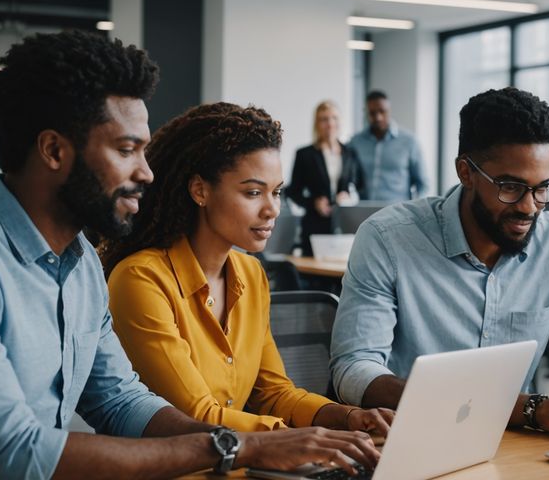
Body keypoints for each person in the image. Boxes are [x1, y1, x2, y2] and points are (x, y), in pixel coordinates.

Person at [0, 30, 378, 478]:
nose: (146, 171)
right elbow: (14, 453)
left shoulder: (79, 262)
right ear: (54, 151)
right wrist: (241, 449)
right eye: (126, 150)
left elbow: (120, 401)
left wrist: (245, 443)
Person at [331, 87, 549, 441]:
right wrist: (528, 408)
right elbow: (354, 370)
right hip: (416, 439)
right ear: (466, 172)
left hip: (514, 445)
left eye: (543, 188)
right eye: (511, 187)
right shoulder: (387, 238)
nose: (530, 207)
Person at [101, 102, 393, 437]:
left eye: (277, 192)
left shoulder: (251, 275)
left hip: (243, 462)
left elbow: (273, 394)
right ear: (200, 190)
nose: (272, 209)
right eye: (253, 192)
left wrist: (347, 418)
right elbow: (196, 417)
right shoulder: (141, 279)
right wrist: (297, 438)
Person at [287, 100, 363, 256]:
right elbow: (293, 192)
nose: (330, 123)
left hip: (344, 225)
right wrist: (314, 203)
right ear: (317, 124)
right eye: (324, 119)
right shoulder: (304, 154)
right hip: (315, 225)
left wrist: (349, 196)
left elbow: (362, 185)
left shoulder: (350, 153)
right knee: (315, 275)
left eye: (334, 118)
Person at [349, 90, 426, 201]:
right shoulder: (355, 142)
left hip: (399, 213)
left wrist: (417, 210)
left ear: (389, 111)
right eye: (372, 113)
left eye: (382, 111)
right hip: (365, 212)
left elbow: (423, 184)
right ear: (366, 113)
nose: (378, 117)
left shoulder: (409, 141)